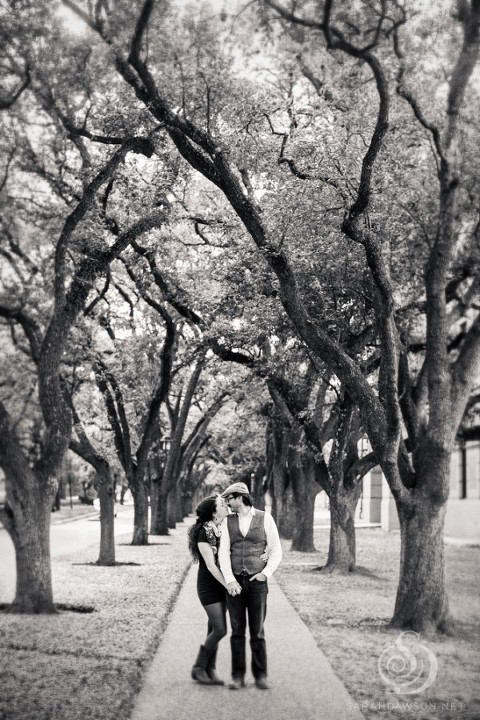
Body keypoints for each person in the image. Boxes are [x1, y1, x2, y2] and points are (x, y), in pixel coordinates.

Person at [218, 481, 282, 691]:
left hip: (257, 583)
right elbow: (223, 552)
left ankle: (260, 675)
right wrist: (229, 580)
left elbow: (275, 550)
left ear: (239, 498)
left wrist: (265, 574)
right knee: (237, 631)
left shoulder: (265, 518)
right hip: (235, 582)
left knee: (257, 631)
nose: (227, 503)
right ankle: (238, 676)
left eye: (229, 499)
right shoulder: (228, 521)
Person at [187, 494, 230, 685]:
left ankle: (210, 669)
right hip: (209, 586)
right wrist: (228, 584)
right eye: (222, 504)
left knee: (213, 628)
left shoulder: (221, 528)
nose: (226, 505)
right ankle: (198, 667)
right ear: (214, 512)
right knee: (220, 629)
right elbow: (211, 566)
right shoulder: (204, 533)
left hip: (221, 583)